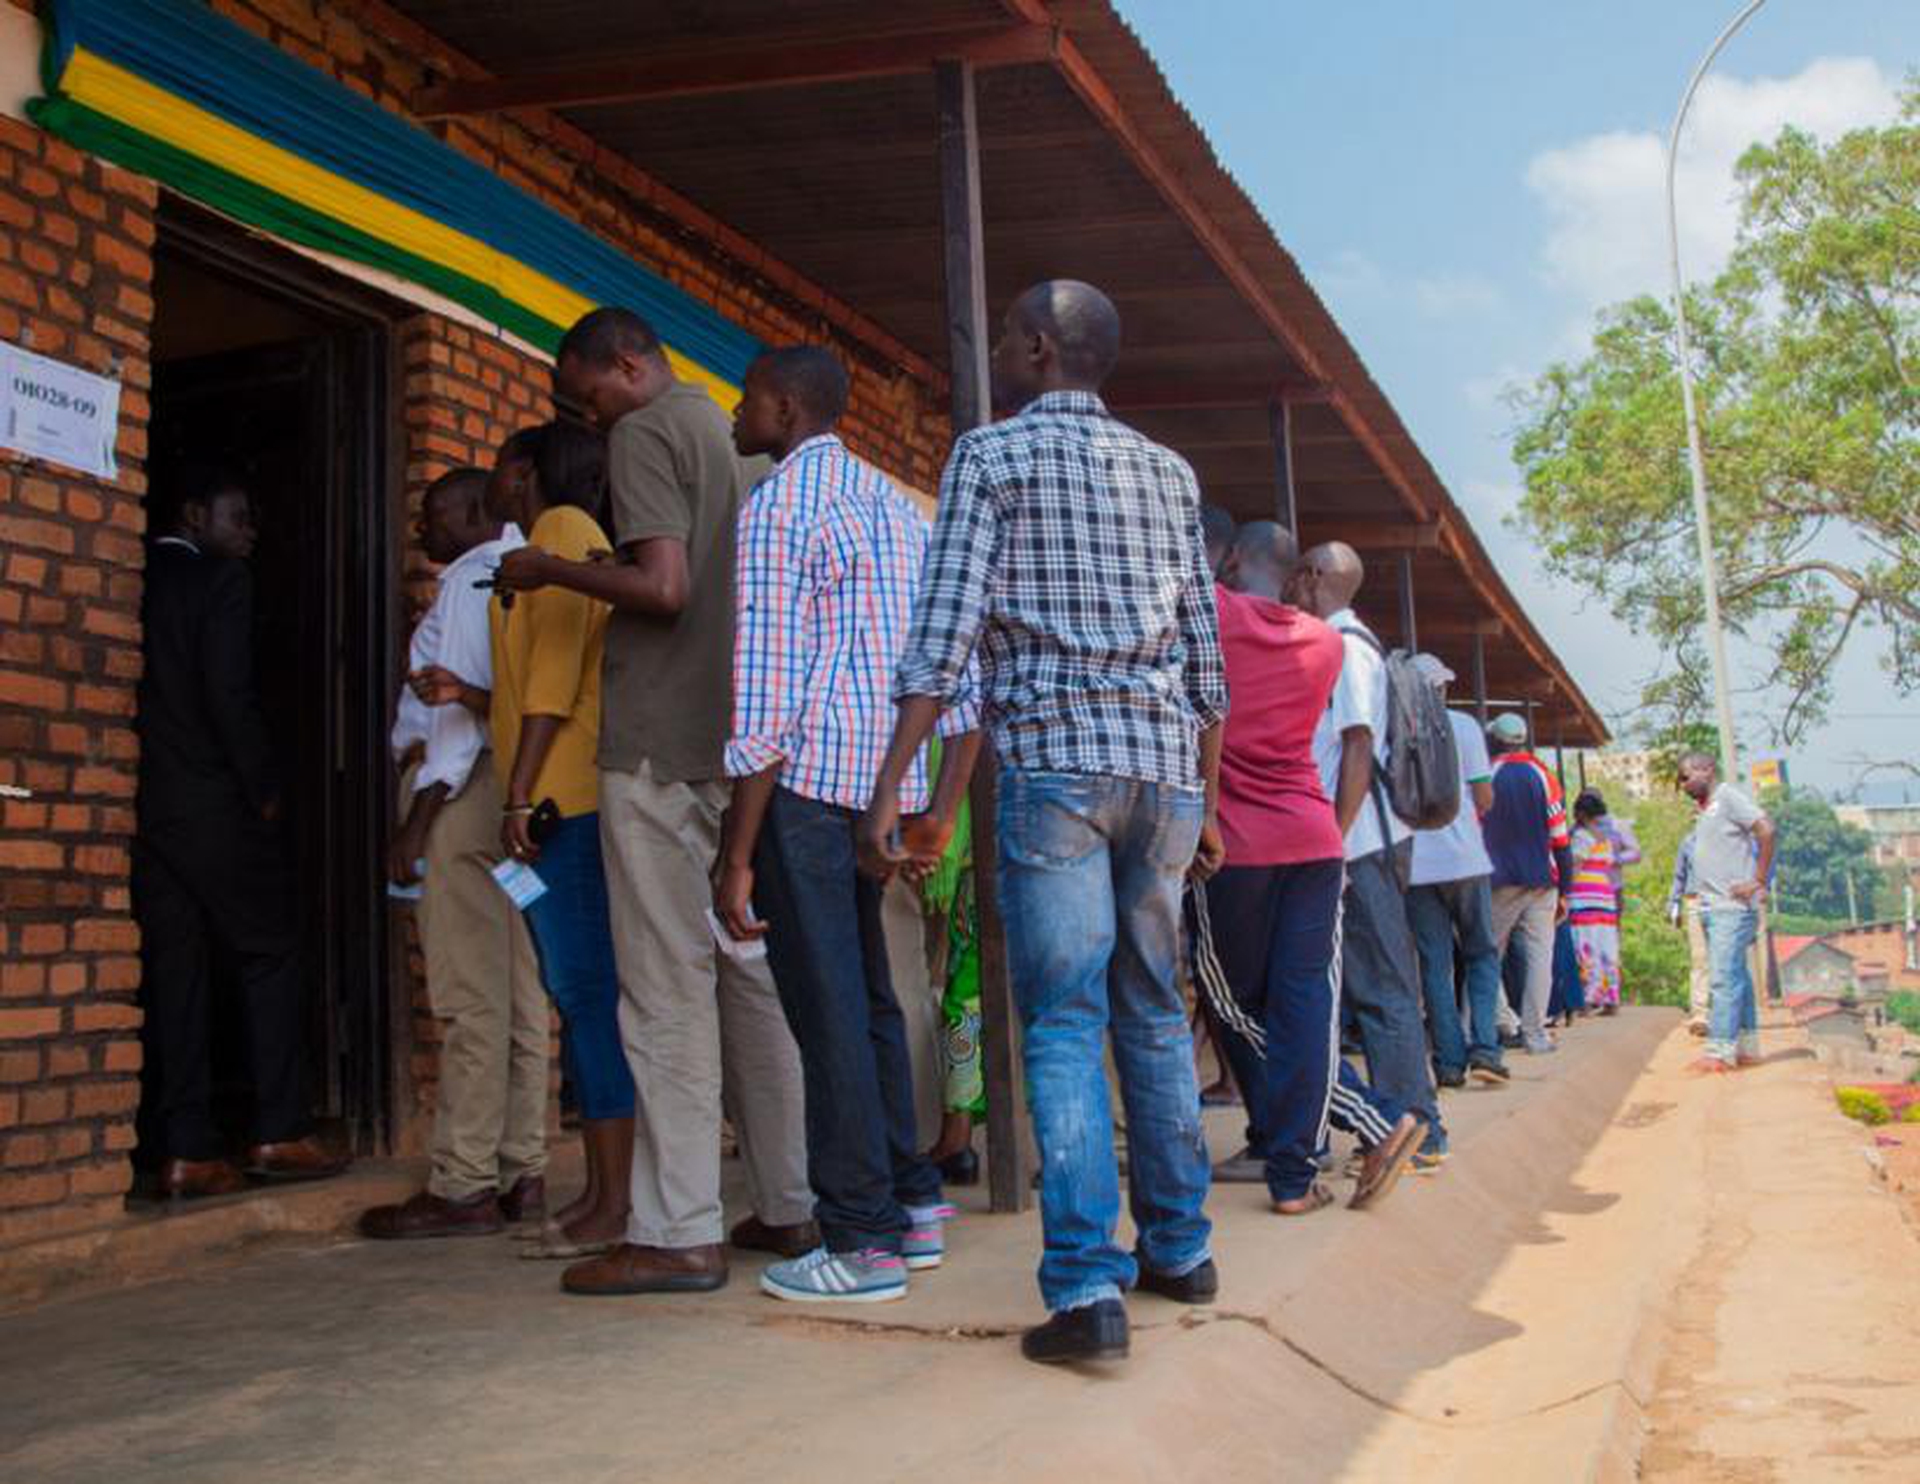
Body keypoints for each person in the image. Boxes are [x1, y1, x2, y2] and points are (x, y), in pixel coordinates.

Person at [861, 280, 1227, 1366]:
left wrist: (893, 784)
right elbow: (1207, 661)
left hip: (1057, 765)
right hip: (1162, 771)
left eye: (1009, 335)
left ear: (1031, 346)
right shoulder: (1170, 472)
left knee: (1064, 1020)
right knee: (1155, 1011)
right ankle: (1182, 1249)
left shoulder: (989, 455)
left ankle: (1084, 1292)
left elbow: (945, 629)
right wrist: (1201, 797)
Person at [502, 309, 812, 1298]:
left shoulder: (642, 433)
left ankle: (677, 1228)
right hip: (732, 744)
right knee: (748, 978)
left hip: (656, 751)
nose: (583, 417)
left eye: (585, 394)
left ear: (628, 366)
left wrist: (554, 567)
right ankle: (789, 1199)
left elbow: (665, 586)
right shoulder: (733, 446)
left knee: (663, 987)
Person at [701, 346, 979, 1303]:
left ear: (783, 407)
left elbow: (766, 699)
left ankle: (861, 1244)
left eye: (744, 402)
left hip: (807, 800)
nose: (738, 418)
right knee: (868, 1002)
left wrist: (736, 856)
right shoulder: (897, 511)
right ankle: (910, 1205)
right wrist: (933, 806)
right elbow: (956, 680)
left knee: (827, 1015)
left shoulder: (780, 506)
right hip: (879, 796)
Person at [1197, 521, 1426, 1216]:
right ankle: (1294, 1178)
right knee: (1303, 1007)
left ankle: (1374, 1118)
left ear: (1233, 559)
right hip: (1315, 840)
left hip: (1235, 845)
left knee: (1234, 1006)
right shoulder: (1327, 644)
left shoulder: (1211, 613)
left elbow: (1206, 712)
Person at [133, 463, 345, 1197]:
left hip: (151, 808)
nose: (251, 533)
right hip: (213, 805)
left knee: (178, 971)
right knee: (271, 952)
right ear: (193, 514)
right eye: (239, 517)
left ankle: (185, 1147)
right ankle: (279, 1130)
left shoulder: (133, 573)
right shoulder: (219, 581)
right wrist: (262, 788)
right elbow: (227, 693)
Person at [361, 469, 547, 1239]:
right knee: (520, 992)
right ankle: (521, 1168)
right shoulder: (520, 568)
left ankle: (463, 1182)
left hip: (459, 797)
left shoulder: (475, 576)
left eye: (432, 516)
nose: (420, 535)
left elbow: (456, 711)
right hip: (514, 795)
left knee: (471, 994)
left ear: (473, 514)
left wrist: (416, 826)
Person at [483, 419, 635, 1259]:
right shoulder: (547, 541)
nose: (494, 478)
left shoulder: (560, 534)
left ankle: (616, 1202)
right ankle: (602, 1194)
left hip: (559, 803)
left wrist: (515, 796)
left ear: (527, 470)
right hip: (551, 799)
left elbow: (551, 683)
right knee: (578, 993)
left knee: (588, 995)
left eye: (504, 464)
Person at [1288, 542, 1448, 1168]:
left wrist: (1333, 835)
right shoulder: (1353, 642)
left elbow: (1358, 747)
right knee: (1375, 987)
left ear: (1315, 577)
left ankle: (1420, 1128)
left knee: (1383, 990)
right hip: (1367, 840)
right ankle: (1402, 1122)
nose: (1290, 587)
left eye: (1299, 573)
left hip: (1360, 844)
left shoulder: (1347, 647)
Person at [1403, 657, 1507, 1086]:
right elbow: (1484, 798)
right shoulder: (1463, 726)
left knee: (1434, 964)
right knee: (1481, 953)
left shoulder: (1395, 732)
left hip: (1415, 866)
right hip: (1465, 860)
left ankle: (1448, 1063)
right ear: (1443, 688)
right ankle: (1485, 1048)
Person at [1677, 753, 1776, 1072]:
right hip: (1711, 906)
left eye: (1685, 776)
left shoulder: (1728, 798)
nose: (1682, 784)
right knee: (1738, 978)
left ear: (1706, 771)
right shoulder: (1705, 810)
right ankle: (1746, 1046)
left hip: (1731, 909)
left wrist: (1758, 880)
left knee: (1722, 977)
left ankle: (1719, 1052)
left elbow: (1766, 829)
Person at [1481, 713, 1572, 1055]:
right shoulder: (1544, 776)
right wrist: (1567, 891)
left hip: (1499, 881)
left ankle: (1497, 1026)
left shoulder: (1488, 774)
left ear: (1495, 740)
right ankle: (1536, 1035)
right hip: (1543, 881)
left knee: (1487, 957)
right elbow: (1560, 839)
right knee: (1539, 959)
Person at [1566, 792, 1624, 1017]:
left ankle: (1588, 998)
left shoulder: (1581, 836)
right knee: (1606, 946)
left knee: (1585, 946)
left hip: (1584, 896)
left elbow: (1577, 867)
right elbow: (1608, 865)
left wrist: (1564, 890)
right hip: (1605, 895)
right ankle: (1611, 998)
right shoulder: (1605, 838)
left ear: (1580, 813)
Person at [1667, 834, 1711, 1035]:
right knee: (1699, 958)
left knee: (1723, 959)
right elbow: (1679, 876)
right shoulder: (1688, 842)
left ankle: (1724, 1014)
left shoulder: (1727, 835)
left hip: (1723, 899)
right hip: (1695, 900)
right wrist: (1673, 905)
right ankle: (1700, 1014)